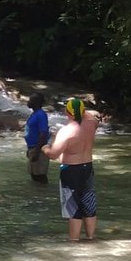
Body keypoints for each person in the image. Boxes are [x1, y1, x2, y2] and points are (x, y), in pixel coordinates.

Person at [41, 98, 100, 240]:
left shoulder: (66, 131)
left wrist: (45, 148)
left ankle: (74, 241)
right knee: (89, 205)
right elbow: (88, 116)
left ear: (67, 113)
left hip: (71, 171)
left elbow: (54, 155)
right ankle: (91, 238)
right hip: (88, 167)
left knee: (73, 208)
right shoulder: (92, 124)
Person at [24, 92, 50, 184]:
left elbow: (43, 133)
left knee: (40, 176)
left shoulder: (41, 115)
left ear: (37, 102)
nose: (28, 102)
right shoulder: (34, 114)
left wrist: (37, 151)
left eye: (31, 100)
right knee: (34, 175)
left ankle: (44, 195)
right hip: (33, 148)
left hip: (39, 149)